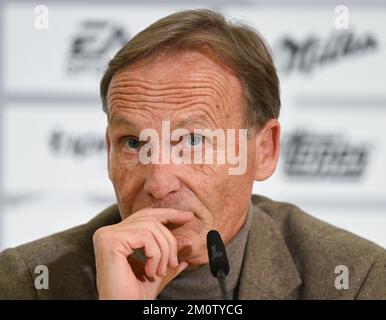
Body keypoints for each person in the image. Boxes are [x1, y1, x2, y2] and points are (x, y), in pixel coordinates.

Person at [0, 9, 385, 300]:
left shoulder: (354, 280)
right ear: (108, 152)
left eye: (194, 141)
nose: (159, 183)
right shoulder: (31, 281)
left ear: (264, 151)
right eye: (133, 143)